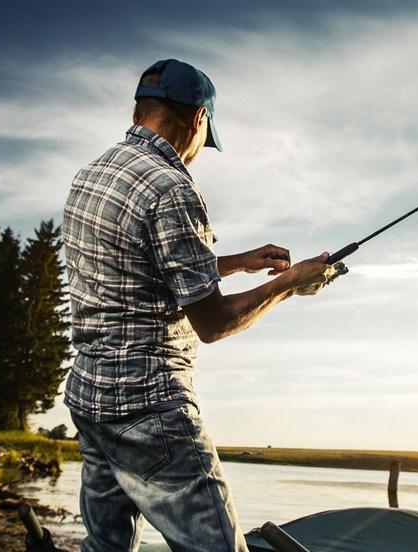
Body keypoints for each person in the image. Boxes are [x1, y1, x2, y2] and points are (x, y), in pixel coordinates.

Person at [62, 58, 337, 552]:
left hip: (90, 397)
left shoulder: (92, 175)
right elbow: (212, 323)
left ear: (139, 110)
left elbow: (142, 267)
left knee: (106, 547)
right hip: (150, 405)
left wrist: (236, 262)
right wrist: (290, 283)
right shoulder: (172, 188)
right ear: (197, 119)